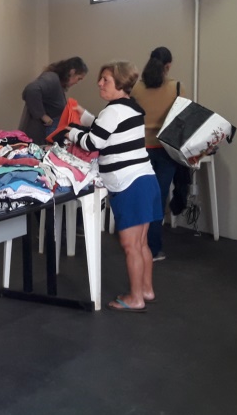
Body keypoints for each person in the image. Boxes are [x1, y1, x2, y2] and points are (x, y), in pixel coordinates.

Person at [67, 61, 162, 312]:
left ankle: (135, 298)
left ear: (120, 83)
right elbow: (106, 129)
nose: (99, 83)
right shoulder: (131, 108)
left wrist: (70, 133)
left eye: (106, 80)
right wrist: (83, 115)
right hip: (145, 180)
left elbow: (93, 142)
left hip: (129, 184)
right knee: (141, 244)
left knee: (130, 246)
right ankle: (146, 290)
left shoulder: (113, 111)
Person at [130, 46, 186, 262]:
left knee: (138, 197)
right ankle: (153, 249)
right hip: (165, 151)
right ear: (168, 66)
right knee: (157, 199)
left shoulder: (136, 89)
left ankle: (135, 244)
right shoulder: (177, 88)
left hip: (139, 150)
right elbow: (183, 121)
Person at [18, 57, 88, 143]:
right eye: (79, 78)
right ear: (72, 72)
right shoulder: (52, 78)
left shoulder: (57, 83)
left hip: (43, 139)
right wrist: (42, 116)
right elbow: (31, 90)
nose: (77, 82)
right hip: (36, 138)